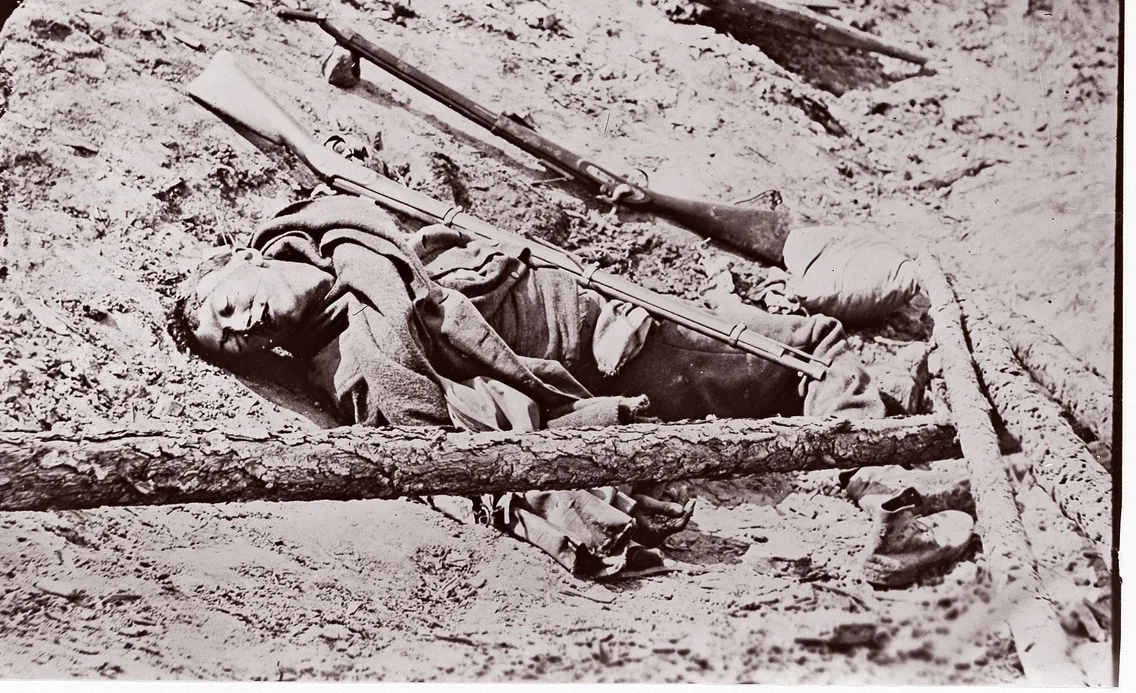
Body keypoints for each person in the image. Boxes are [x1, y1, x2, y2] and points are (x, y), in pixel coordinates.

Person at [177, 190, 973, 583]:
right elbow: (439, 427)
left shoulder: (341, 226)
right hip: (616, 350)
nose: (244, 321)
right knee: (815, 352)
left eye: (223, 303)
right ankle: (891, 508)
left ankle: (887, 440)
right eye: (236, 339)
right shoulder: (355, 360)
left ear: (240, 256)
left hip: (603, 302)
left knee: (796, 350)